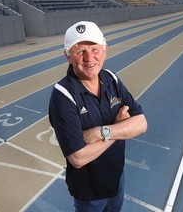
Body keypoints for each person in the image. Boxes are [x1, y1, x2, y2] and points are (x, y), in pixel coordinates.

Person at [48, 21, 147, 212]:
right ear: (68, 56)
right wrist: (116, 129)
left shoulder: (112, 79)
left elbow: (141, 123)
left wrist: (101, 132)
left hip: (117, 178)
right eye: (80, 52)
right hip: (89, 192)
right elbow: (78, 157)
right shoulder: (62, 96)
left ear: (105, 50)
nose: (89, 58)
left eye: (95, 49)